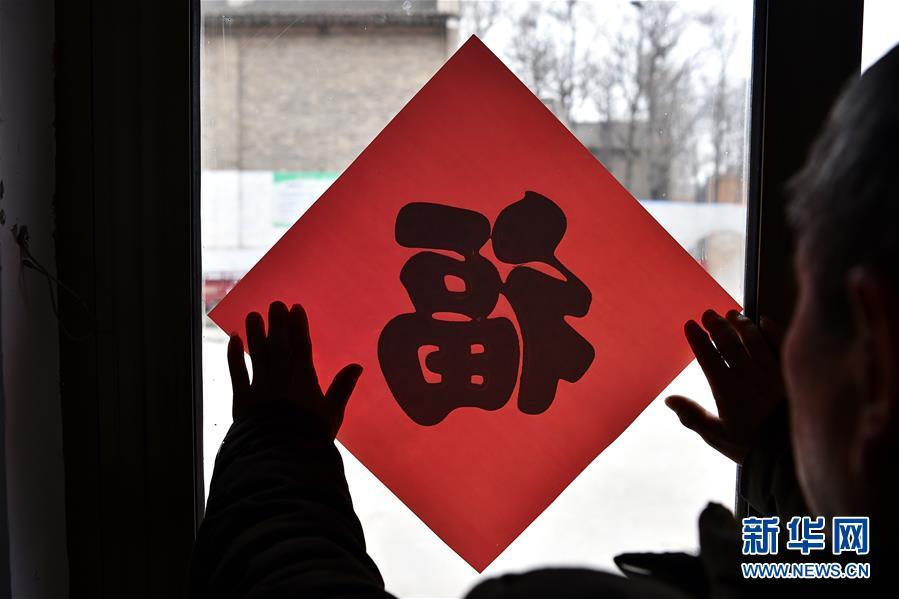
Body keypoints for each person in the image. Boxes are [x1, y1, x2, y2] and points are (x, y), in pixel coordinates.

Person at [191, 45, 899, 598]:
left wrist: (276, 440)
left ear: (875, 359)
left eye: (805, 303)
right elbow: (837, 559)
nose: (779, 338)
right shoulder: (849, 559)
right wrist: (780, 449)